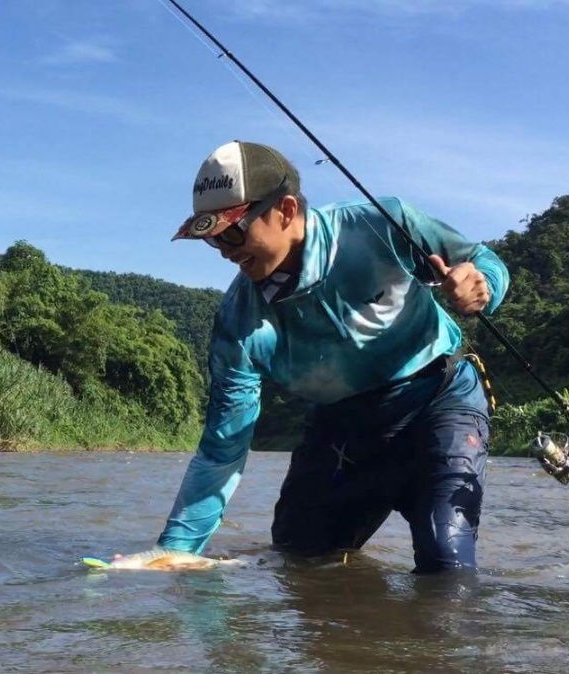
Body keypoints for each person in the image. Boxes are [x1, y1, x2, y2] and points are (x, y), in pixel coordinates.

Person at [158, 140, 509, 573]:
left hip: (438, 400)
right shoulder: (238, 323)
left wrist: (483, 287)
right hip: (342, 426)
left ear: (285, 210)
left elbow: (482, 260)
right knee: (297, 559)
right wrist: (174, 552)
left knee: (445, 561)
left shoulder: (381, 223)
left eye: (233, 231)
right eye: (212, 240)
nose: (226, 251)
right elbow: (221, 451)